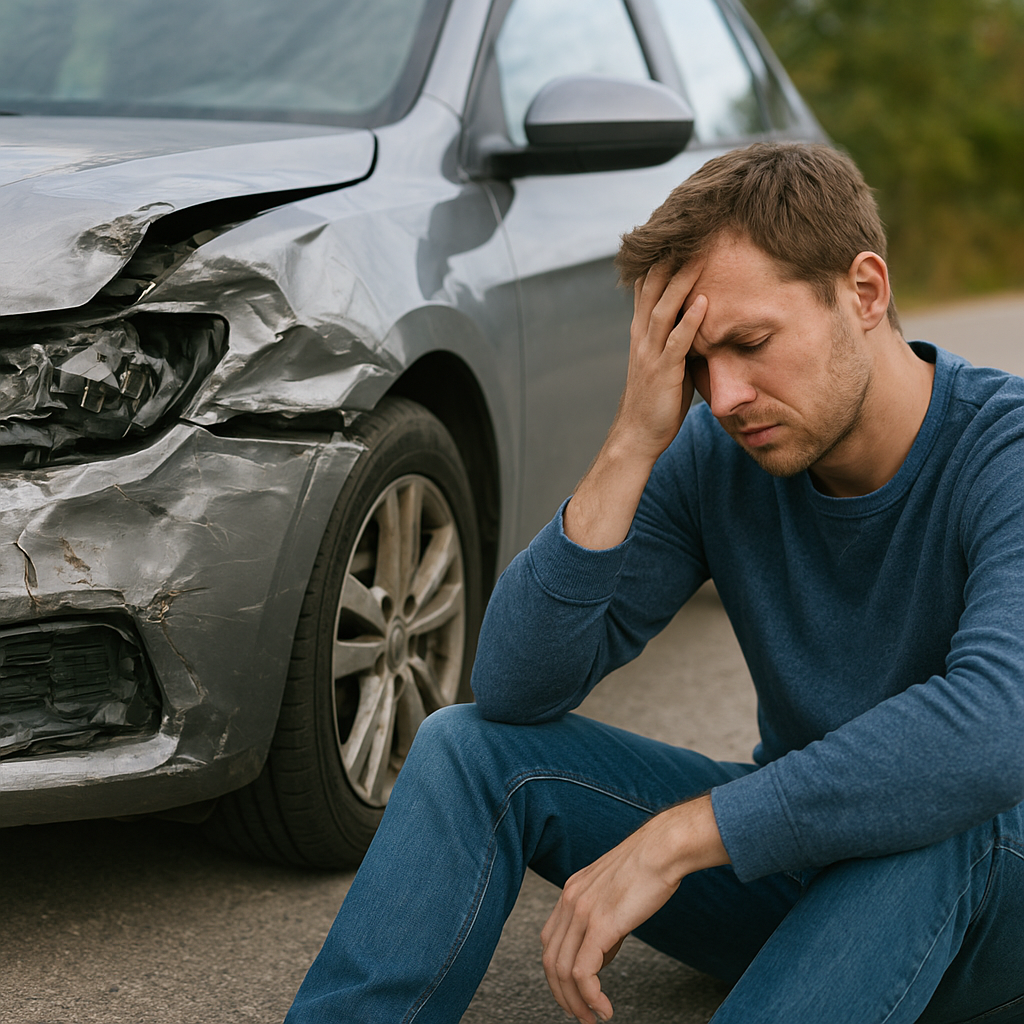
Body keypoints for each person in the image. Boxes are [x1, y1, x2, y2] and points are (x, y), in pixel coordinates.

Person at [284, 143, 1024, 1024]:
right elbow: (518, 688)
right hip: (809, 875)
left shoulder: (1003, 453)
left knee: (928, 816)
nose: (727, 395)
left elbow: (993, 726)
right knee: (468, 748)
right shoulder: (719, 449)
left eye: (751, 344)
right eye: (696, 364)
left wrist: (681, 838)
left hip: (986, 895)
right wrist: (635, 437)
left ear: (864, 292)